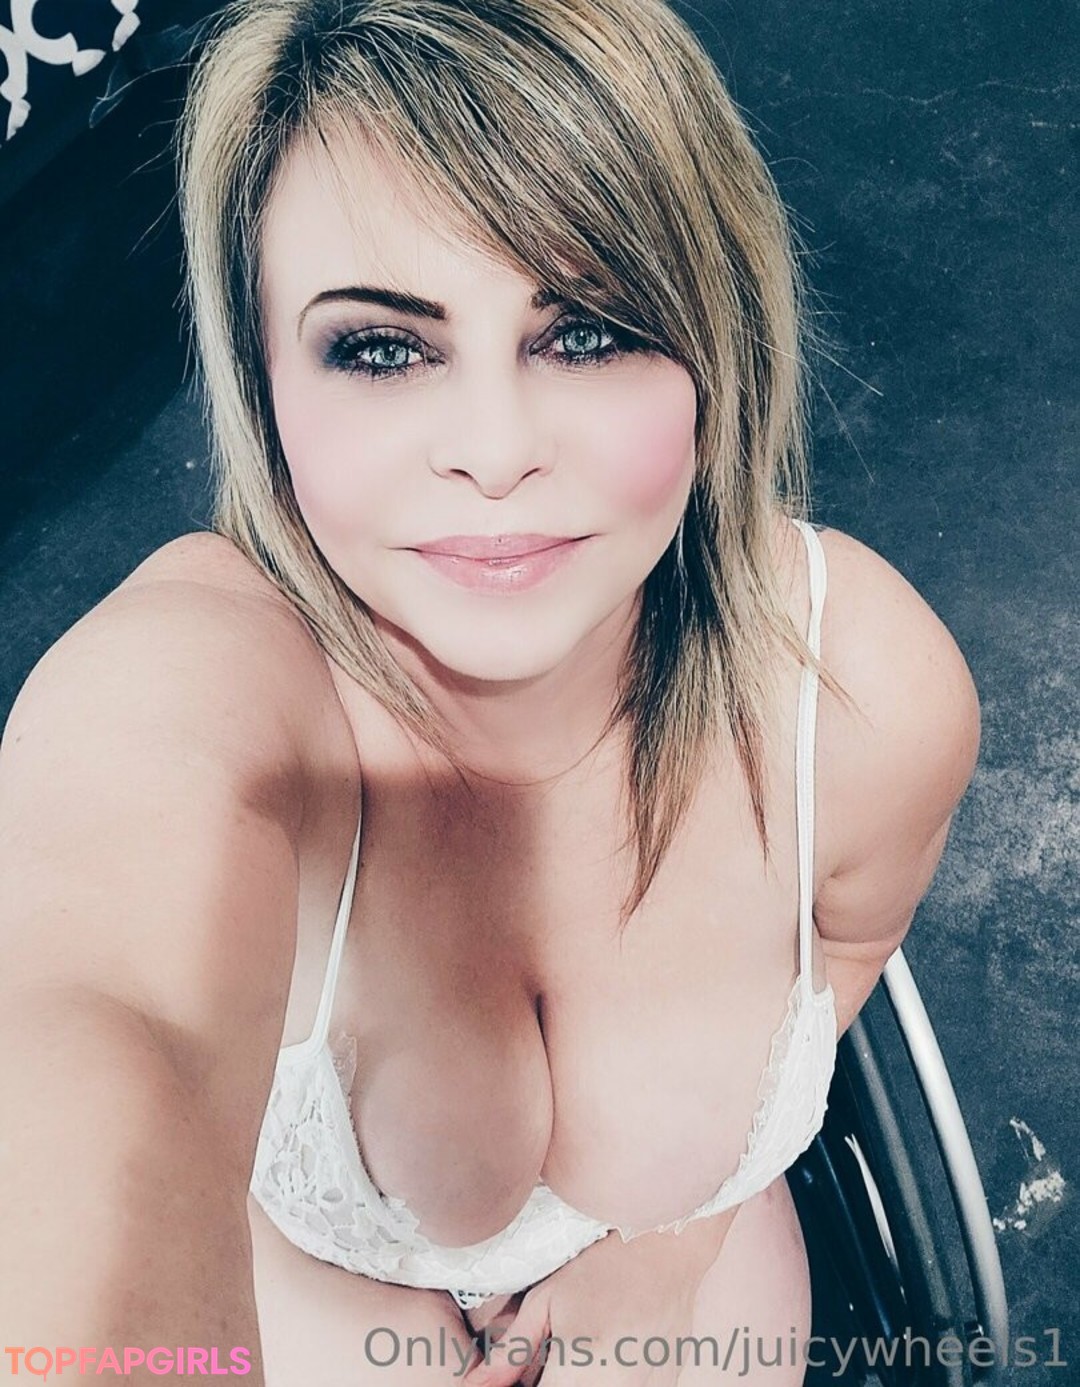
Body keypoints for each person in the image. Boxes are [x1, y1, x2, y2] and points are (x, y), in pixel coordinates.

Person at [0, 0, 982, 1383]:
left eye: (586, 333)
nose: (495, 449)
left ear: (716, 348)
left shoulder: (864, 691)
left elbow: (848, 944)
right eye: (382, 348)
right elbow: (95, 1031)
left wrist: (672, 1245)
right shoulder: (196, 699)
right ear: (265, 380)